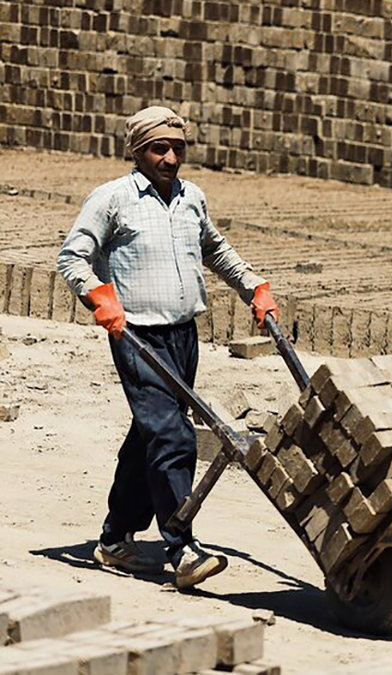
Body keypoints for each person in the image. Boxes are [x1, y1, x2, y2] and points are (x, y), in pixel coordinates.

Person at [57, 106, 279, 589]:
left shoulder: (190, 198)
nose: (171, 157)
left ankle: (115, 540)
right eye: (160, 148)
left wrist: (254, 287)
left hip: (182, 335)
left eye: (178, 148)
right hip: (136, 335)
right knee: (173, 436)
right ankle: (181, 547)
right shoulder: (113, 199)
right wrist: (99, 296)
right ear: (137, 151)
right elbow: (72, 257)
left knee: (149, 437)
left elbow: (214, 249)